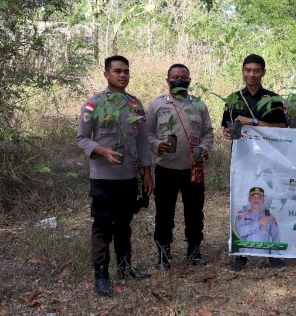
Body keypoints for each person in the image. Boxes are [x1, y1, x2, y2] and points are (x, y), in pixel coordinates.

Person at [77, 55, 153, 297]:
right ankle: (101, 274)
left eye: (126, 71)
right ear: (106, 74)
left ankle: (124, 267)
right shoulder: (94, 104)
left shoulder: (135, 105)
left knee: (124, 224)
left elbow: (142, 140)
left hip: (129, 176)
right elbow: (82, 138)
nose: (123, 75)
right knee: (102, 226)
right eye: (118, 71)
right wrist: (100, 150)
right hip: (102, 177)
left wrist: (147, 172)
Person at [222, 54, 287, 272]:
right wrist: (228, 133)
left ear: (263, 72)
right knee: (243, 203)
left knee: (268, 204)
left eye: (256, 70)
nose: (251, 74)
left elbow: (282, 128)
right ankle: (241, 254)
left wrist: (254, 122)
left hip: (268, 162)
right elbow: (227, 128)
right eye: (247, 70)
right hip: (242, 162)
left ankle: (273, 252)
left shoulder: (273, 99)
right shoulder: (233, 99)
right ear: (242, 71)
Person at [146, 63, 214, 268]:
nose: (179, 80)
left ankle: (194, 251)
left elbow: (208, 133)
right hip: (166, 169)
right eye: (175, 77)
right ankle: (163, 253)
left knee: (194, 212)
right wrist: (157, 145)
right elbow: (146, 135)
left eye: (183, 77)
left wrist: (204, 147)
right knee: (164, 213)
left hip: (193, 169)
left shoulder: (199, 105)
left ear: (189, 81)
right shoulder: (157, 105)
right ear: (167, 81)